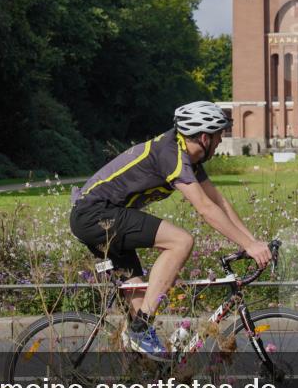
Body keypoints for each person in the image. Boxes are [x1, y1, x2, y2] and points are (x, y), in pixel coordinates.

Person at [69, 101, 272, 358]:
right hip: (95, 214)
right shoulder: (170, 154)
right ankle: (141, 329)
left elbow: (219, 202)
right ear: (204, 137)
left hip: (106, 217)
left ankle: (140, 365)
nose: (221, 140)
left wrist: (253, 242)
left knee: (140, 303)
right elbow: (205, 208)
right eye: (220, 134)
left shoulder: (187, 157)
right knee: (181, 241)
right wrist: (249, 246)